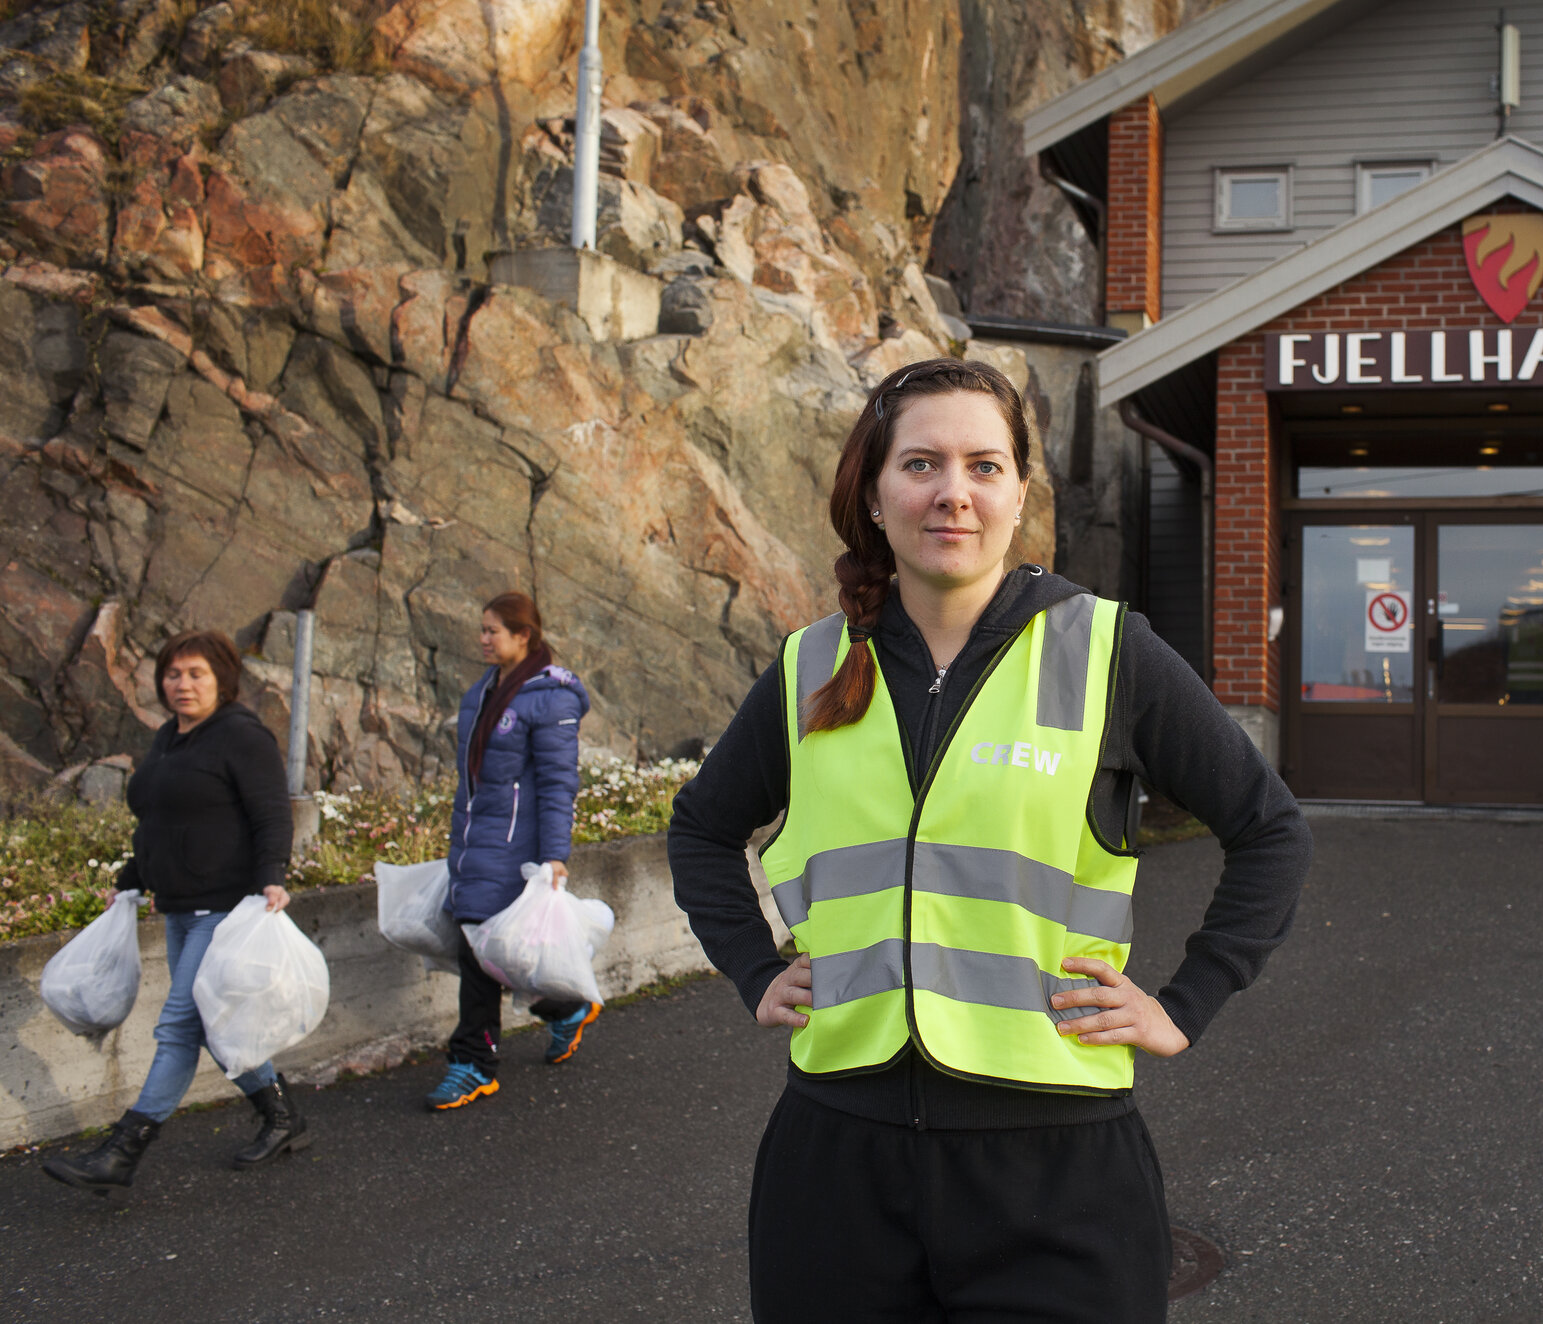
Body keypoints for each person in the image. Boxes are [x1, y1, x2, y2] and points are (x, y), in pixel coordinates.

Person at [667, 358, 1312, 1323]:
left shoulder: (1106, 651)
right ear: (874, 495)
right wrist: (755, 970)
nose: (953, 493)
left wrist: (1186, 1003)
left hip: (1057, 1169)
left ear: (1018, 495)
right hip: (837, 1165)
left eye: (984, 466)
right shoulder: (812, 666)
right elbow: (700, 829)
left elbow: (1270, 829)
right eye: (921, 464)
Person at [43, 630, 305, 1196]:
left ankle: (122, 1152)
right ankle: (282, 1117)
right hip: (180, 908)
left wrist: (273, 875)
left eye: (196, 674)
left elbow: (271, 813)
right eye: (173, 674)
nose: (182, 684)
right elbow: (157, 821)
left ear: (222, 680)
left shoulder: (241, 736)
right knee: (210, 1023)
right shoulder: (169, 737)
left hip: (224, 908)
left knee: (179, 1027)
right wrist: (130, 880)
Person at [426, 591, 596, 1110]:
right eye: (482, 629)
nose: (483, 638)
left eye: (492, 630)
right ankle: (563, 1010)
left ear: (524, 636)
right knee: (487, 951)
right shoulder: (484, 690)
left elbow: (558, 784)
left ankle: (473, 1064)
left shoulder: (551, 698)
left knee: (478, 951)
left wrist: (554, 856)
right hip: (475, 842)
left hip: (513, 849)